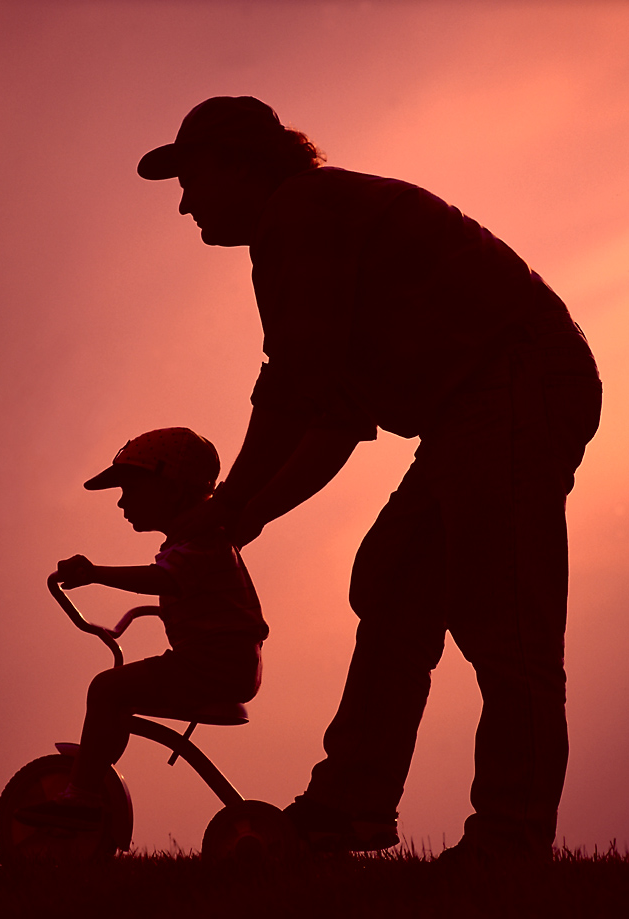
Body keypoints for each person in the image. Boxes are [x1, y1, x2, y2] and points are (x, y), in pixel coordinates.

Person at [136, 97, 602, 863]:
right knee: (392, 582)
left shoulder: (300, 212)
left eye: (191, 179)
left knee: (505, 618)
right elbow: (334, 414)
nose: (184, 203)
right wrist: (248, 511)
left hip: (514, 383)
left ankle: (509, 835)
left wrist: (232, 503)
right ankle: (347, 808)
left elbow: (294, 387)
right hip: (475, 404)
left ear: (239, 163)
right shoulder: (307, 227)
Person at [17, 426, 268, 830]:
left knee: (107, 689)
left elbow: (166, 579)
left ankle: (82, 797)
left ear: (173, 490)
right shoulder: (197, 541)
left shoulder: (199, 540)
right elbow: (194, 591)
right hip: (224, 661)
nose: (121, 502)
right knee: (118, 696)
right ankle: (89, 783)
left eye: (130, 489)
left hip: (214, 663)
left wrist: (94, 573)